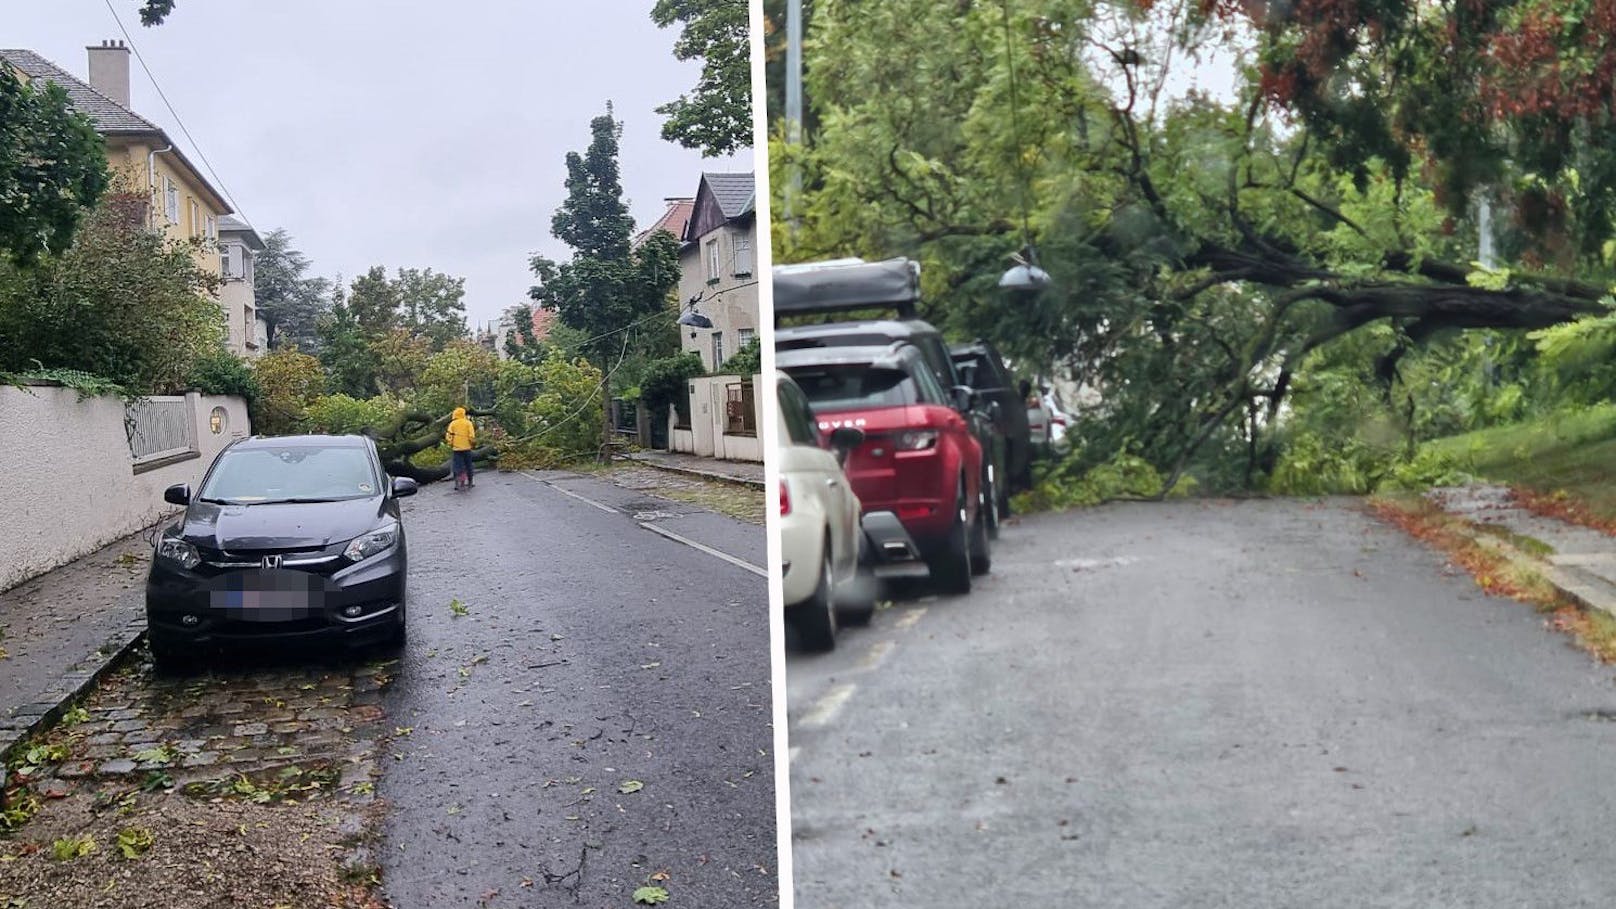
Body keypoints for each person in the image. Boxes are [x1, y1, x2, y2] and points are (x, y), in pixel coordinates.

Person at [445, 406, 476, 490]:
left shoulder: (452, 424)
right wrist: (472, 443)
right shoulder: (468, 423)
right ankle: (470, 482)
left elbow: (449, 436)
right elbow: (471, 436)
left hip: (457, 449)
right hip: (467, 448)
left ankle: (458, 484)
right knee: (468, 465)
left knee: (458, 467)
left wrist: (451, 444)